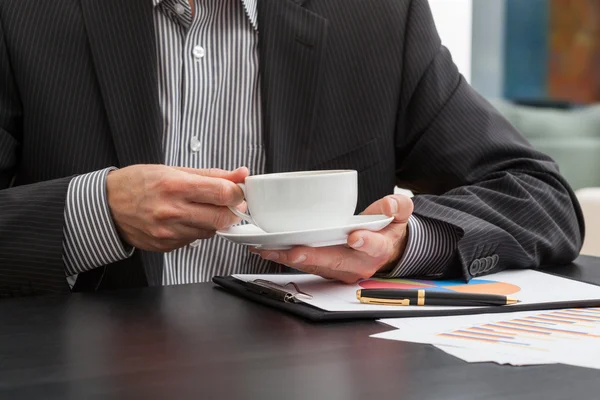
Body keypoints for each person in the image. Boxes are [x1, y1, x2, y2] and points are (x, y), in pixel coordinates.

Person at [0, 0, 584, 297]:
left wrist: (401, 242)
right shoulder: (22, 17)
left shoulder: (376, 17)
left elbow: (538, 196)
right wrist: (94, 213)